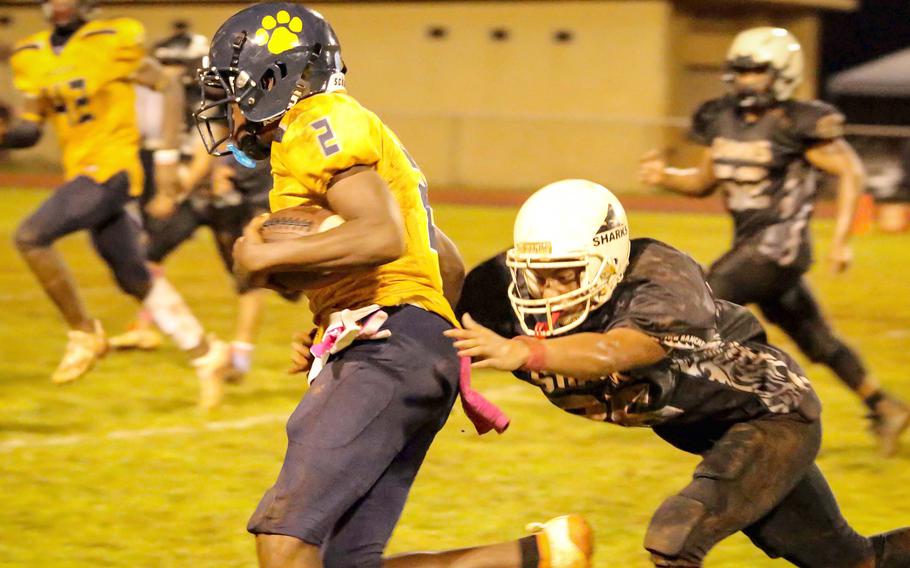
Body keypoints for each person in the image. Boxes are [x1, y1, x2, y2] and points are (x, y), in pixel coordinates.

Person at [195, 4, 592, 567]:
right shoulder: (321, 140)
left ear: (270, 79)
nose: (224, 109)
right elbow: (443, 261)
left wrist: (267, 253)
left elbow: (381, 236)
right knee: (344, 563)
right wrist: (339, 319)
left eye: (230, 90)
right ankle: (540, 557)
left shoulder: (316, 122)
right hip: (408, 347)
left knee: (284, 546)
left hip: (387, 350)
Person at [449, 179, 910, 568]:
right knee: (856, 561)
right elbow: (438, 316)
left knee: (675, 536)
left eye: (566, 275)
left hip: (772, 415)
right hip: (703, 430)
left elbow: (621, 349)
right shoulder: (497, 291)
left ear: (609, 264)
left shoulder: (660, 278)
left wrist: (528, 352)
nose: (547, 292)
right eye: (536, 276)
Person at [639, 27, 909, 456]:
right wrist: (664, 178)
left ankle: (674, 401)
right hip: (754, 251)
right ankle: (883, 404)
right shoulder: (721, 119)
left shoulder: (796, 122)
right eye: (741, 72)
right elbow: (703, 181)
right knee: (818, 341)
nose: (746, 81)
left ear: (783, 73)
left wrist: (841, 239)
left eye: (757, 72)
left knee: (698, 302)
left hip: (778, 249)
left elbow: (851, 171)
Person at [1, 0, 229, 402]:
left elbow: (169, 86)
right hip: (80, 170)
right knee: (133, 276)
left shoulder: (112, 39)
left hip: (113, 167)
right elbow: (32, 129)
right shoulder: (31, 53)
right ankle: (207, 353)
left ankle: (84, 332)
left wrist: (165, 158)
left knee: (30, 236)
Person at [109, 25, 270, 390]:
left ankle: (241, 356)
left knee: (248, 276)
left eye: (167, 64)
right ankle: (146, 327)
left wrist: (174, 191)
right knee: (147, 254)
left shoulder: (216, 93)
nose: (160, 71)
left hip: (234, 194)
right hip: (202, 196)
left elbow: (211, 147)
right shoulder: (179, 97)